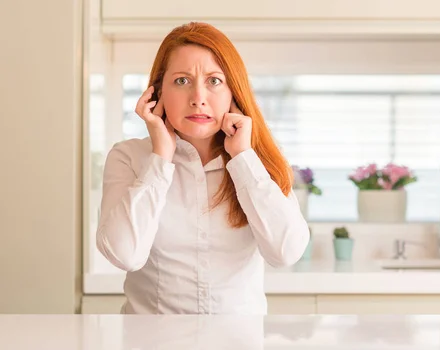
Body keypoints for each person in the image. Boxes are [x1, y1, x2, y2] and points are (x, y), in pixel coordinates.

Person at [96, 22, 310, 314]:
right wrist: (160, 157)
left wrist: (243, 159)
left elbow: (286, 252)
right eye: (182, 81)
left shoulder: (257, 162)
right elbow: (125, 255)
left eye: (214, 81)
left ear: (233, 91)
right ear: (157, 92)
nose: (198, 98)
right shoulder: (129, 158)